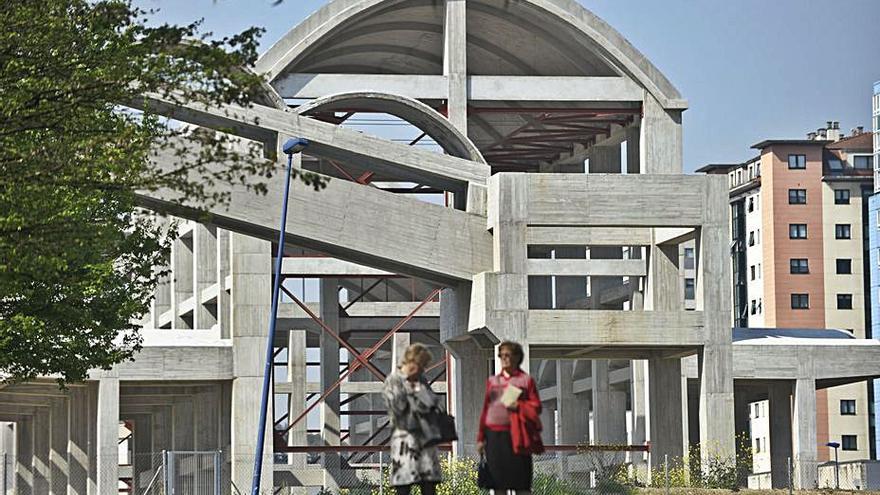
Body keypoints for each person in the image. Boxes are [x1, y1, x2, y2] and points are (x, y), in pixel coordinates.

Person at [477, 341, 544, 494]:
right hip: (495, 439)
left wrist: (518, 405)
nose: (504, 359)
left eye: (508, 355)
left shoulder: (526, 381)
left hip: (516, 437)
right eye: (502, 356)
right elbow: (486, 410)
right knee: (498, 484)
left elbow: (536, 407)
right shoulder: (493, 381)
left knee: (521, 485)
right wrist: (481, 438)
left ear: (517, 357)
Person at [382, 343, 443, 495]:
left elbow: (432, 404)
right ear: (412, 362)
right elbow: (397, 408)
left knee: (429, 487)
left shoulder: (421, 380)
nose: (423, 370)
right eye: (421, 366)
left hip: (426, 442)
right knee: (404, 487)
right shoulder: (394, 380)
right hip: (405, 441)